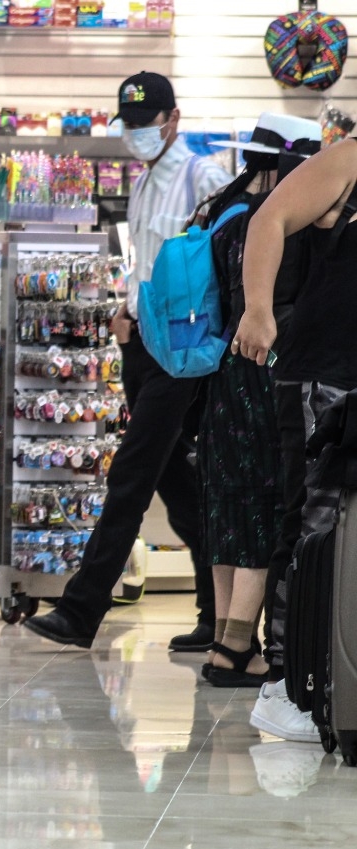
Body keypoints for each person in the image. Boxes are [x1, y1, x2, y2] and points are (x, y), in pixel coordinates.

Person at [25, 71, 229, 650]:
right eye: (130, 124)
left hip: (183, 351)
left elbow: (214, 271)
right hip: (141, 343)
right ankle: (216, 617)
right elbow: (145, 266)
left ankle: (81, 610)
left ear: (173, 118)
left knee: (133, 474)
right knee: (176, 480)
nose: (138, 134)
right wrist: (125, 311)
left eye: (147, 123)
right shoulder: (140, 184)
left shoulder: (204, 177)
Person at [232, 122, 357, 742]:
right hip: (324, 373)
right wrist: (257, 310)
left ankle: (333, 676)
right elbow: (268, 221)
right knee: (313, 518)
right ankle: (285, 681)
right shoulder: (348, 161)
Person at [195, 114, 322, 688]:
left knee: (226, 501)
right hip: (267, 368)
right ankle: (239, 646)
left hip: (222, 369)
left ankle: (227, 639)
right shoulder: (280, 221)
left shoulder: (220, 209)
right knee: (262, 499)